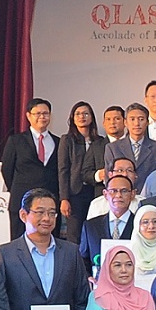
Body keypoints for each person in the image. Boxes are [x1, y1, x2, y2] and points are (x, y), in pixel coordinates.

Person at [0, 97, 57, 241]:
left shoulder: (58, 141)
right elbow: (7, 170)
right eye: (38, 113)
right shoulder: (16, 141)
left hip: (49, 202)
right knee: (19, 244)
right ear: (28, 116)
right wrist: (21, 188)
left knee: (48, 242)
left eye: (46, 113)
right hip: (21, 200)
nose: (42, 117)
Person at [57, 101, 109, 242]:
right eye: (78, 114)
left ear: (91, 117)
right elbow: (63, 170)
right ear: (72, 118)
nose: (82, 117)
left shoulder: (100, 141)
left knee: (95, 231)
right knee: (75, 234)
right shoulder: (67, 140)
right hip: (76, 193)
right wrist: (64, 198)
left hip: (96, 190)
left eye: (86, 113)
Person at [80, 173, 138, 269]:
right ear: (105, 194)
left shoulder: (140, 225)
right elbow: (83, 259)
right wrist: (88, 277)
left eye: (124, 191)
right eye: (113, 191)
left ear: (132, 194)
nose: (118, 195)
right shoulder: (90, 226)